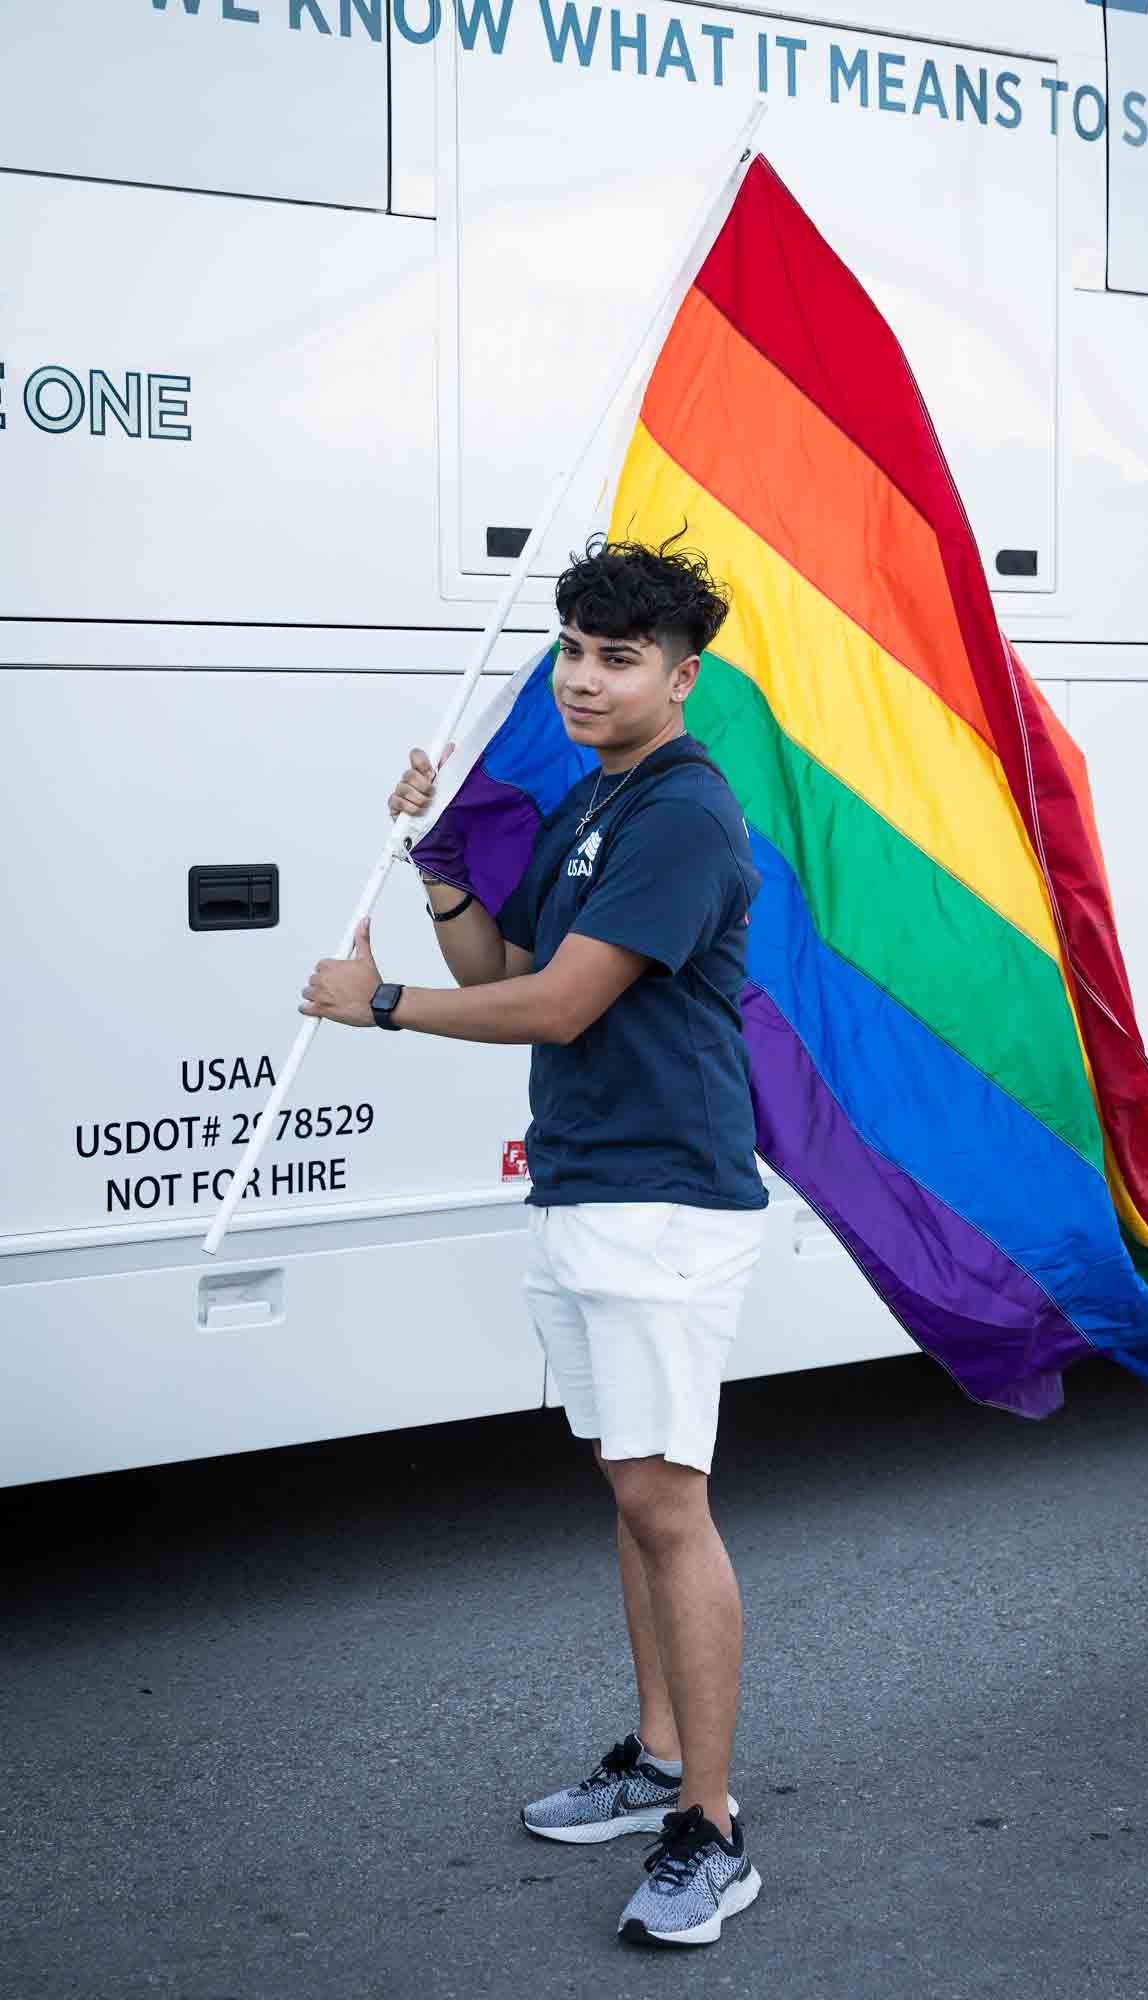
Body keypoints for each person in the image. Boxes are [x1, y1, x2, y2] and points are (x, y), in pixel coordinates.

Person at [300, 538, 769, 1948]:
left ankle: (714, 1827)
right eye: (571, 649)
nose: (580, 677)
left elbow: (558, 1008)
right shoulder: (596, 802)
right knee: (631, 1493)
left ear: (680, 678)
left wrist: (372, 1010)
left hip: (661, 1197)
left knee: (667, 1503)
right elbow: (495, 971)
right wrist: (441, 858)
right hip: (587, 1185)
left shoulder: (681, 814)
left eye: (616, 657)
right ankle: (654, 1760)